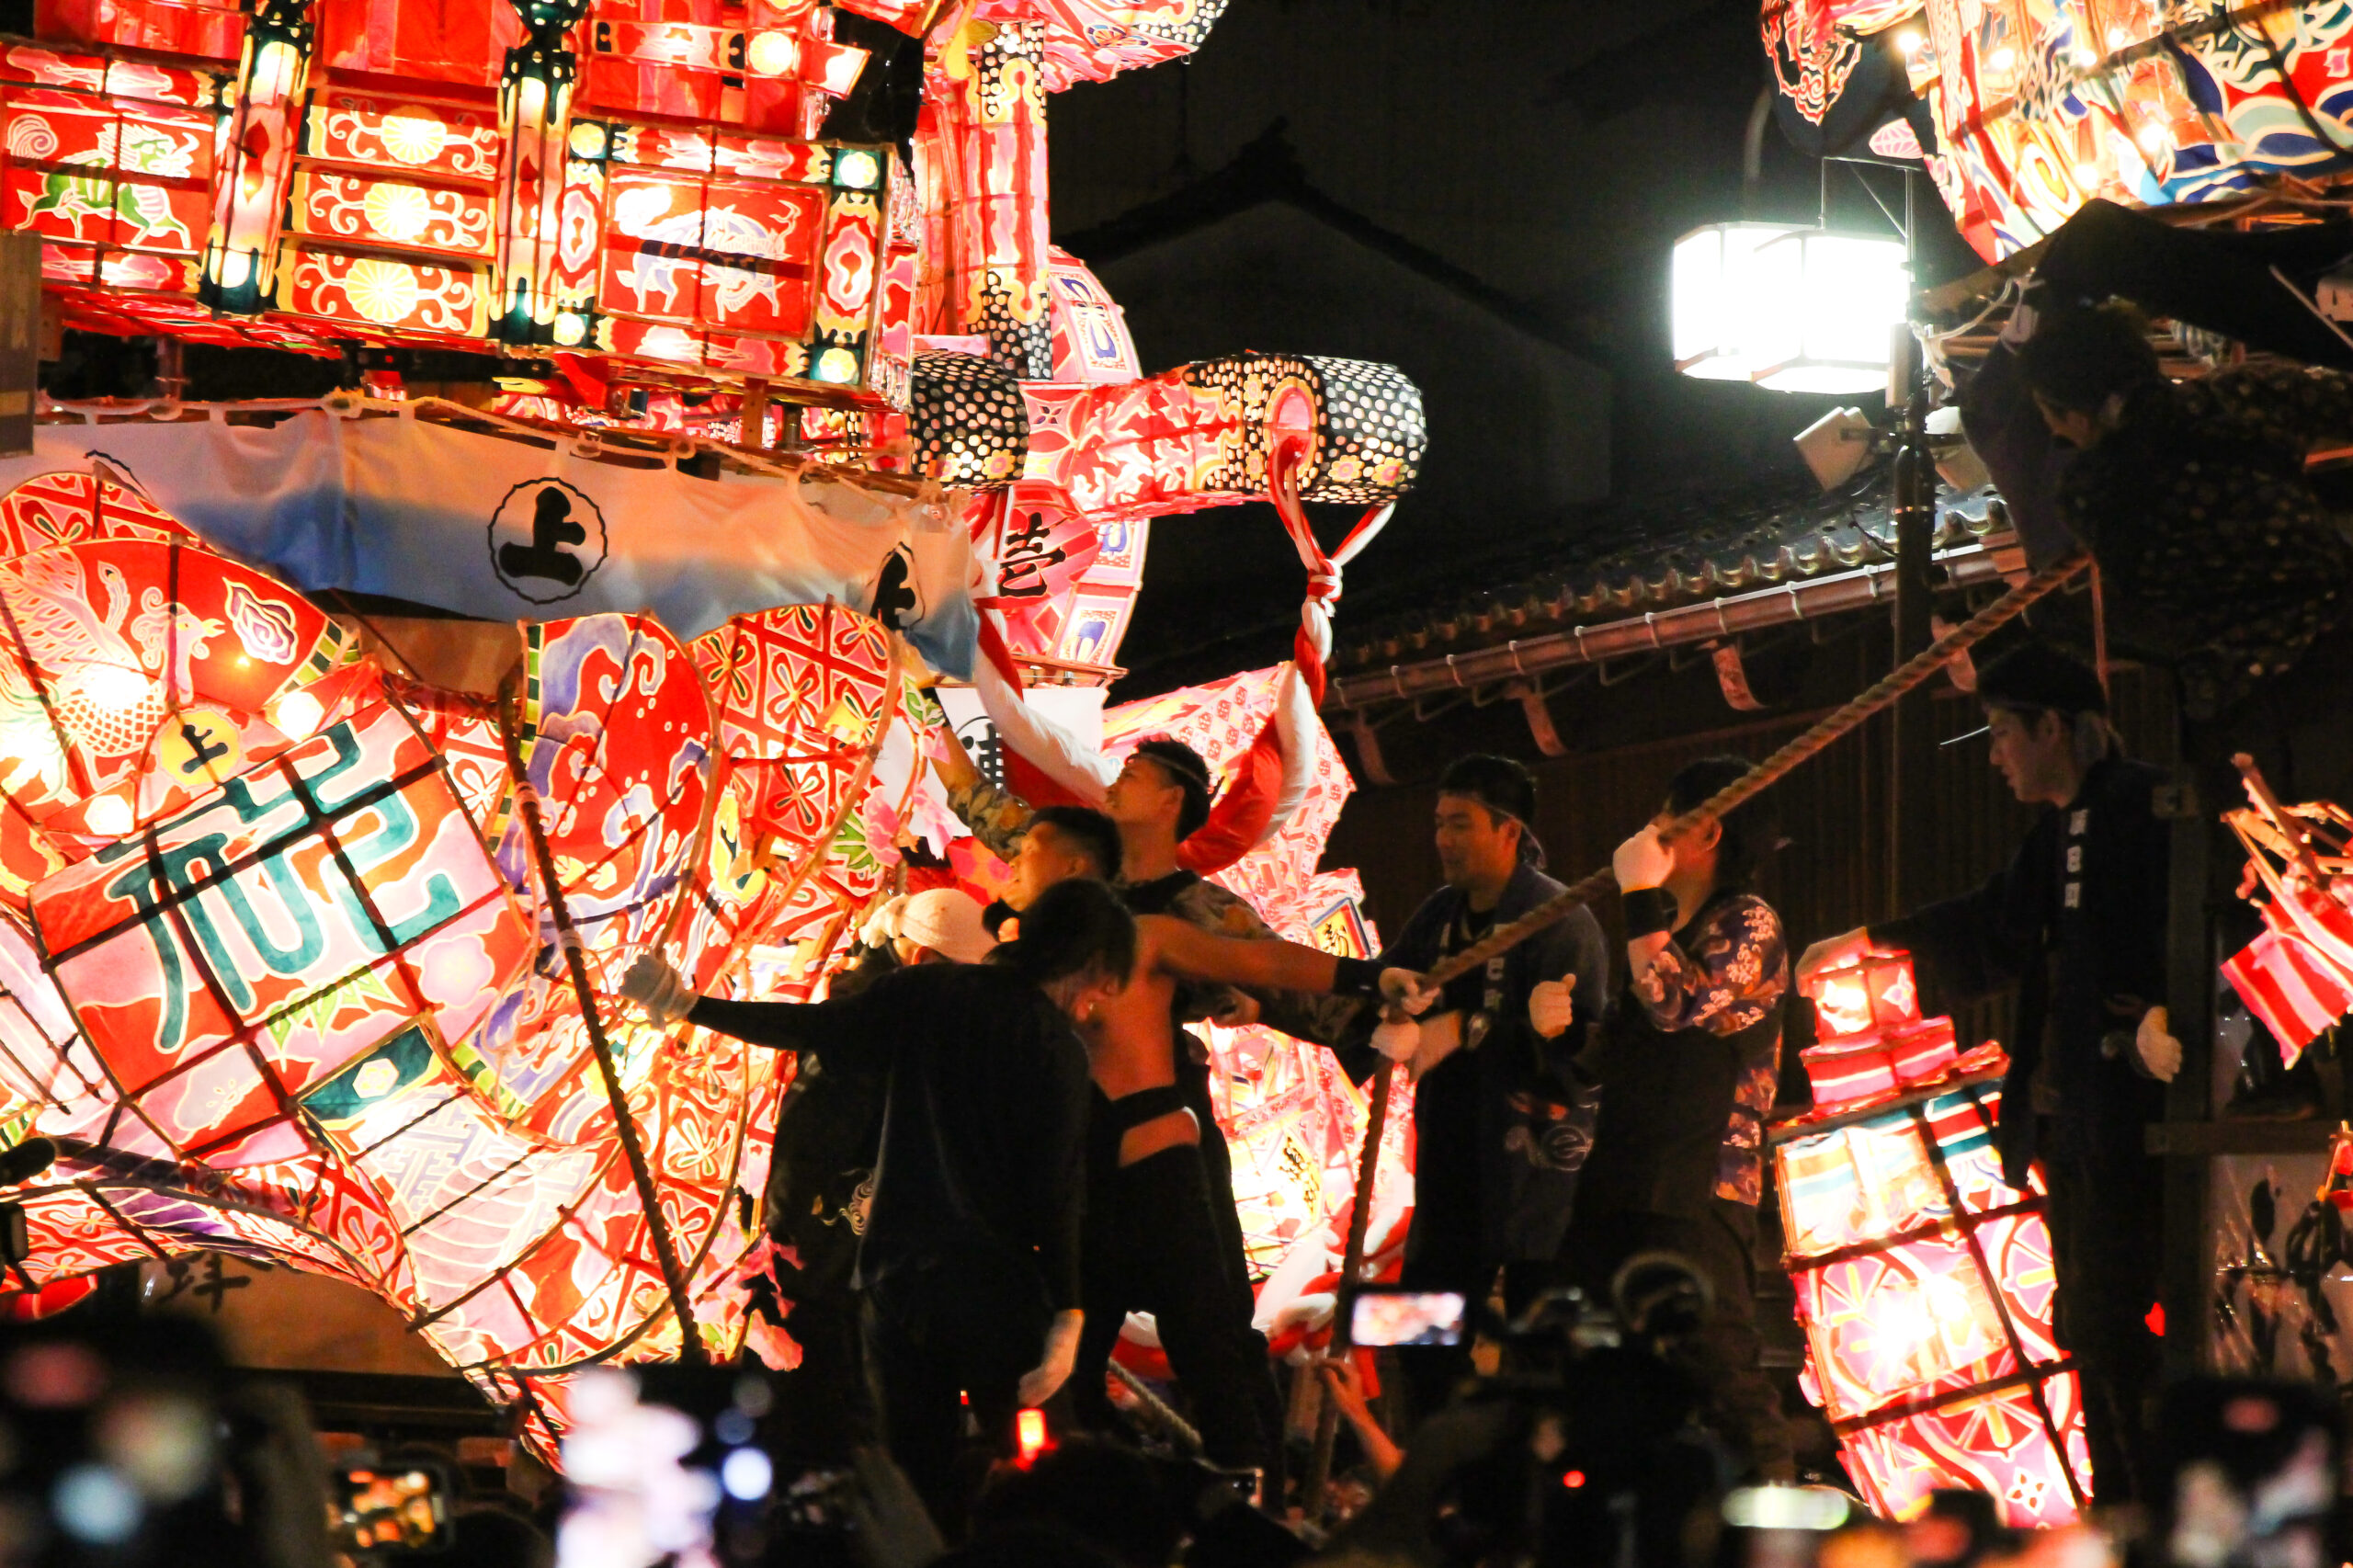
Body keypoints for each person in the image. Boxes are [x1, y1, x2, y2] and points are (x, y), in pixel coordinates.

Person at [617, 878, 1131, 1522]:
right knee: (1034, 1477)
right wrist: (1070, 1312)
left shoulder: (929, 992)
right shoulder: (1056, 1050)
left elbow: (813, 1027)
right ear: (1094, 969)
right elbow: (1054, 1194)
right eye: (1111, 982)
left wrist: (691, 1005)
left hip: (895, 1282)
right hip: (994, 1293)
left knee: (910, 1481)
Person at [1796, 642, 2176, 1501]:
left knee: (2124, 1324)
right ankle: (2120, 1516)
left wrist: (2165, 1011)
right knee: (2085, 1324)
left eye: (2004, 733)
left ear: (2053, 728)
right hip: (2075, 1117)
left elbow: (2189, 934)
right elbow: (1993, 928)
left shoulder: (2147, 807)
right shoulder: (2060, 830)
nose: (1997, 754)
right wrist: (1873, 938)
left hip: (2136, 1114)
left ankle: (2155, 1517)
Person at [932, 729, 1368, 1476]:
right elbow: (994, 812)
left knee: (1214, 1331)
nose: (1116, 777)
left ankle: (1260, 1488)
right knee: (1069, 1338)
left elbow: (1272, 969)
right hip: (1072, 1143)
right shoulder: (1066, 892)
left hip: (1165, 1134)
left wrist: (1379, 1003)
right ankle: (1091, 1490)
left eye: (1134, 773)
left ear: (1172, 802)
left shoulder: (1187, 911)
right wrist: (926, 695)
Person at [1350, 754, 1609, 1417]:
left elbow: (1583, 1045)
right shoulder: (1437, 916)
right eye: (1439, 824)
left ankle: (1543, 1495)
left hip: (1540, 1172)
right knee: (1415, 1337)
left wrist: (1462, 1029)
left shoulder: (1561, 918)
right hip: (1451, 1162)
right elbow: (1385, 989)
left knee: (1546, 1349)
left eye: (1460, 824)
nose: (1443, 840)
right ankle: (1437, 1470)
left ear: (1509, 831)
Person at [1561, 756, 1794, 1481]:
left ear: (1707, 829)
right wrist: (1564, 1032)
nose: (1650, 829)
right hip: (1625, 1174)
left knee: (1717, 1363)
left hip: (1698, 1184)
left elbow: (1675, 1005)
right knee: (1602, 1364)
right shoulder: (1666, 932)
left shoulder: (1750, 923)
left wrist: (1637, 893)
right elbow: (1620, 1052)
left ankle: (1774, 1530)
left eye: (1665, 816)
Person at [762, 887, 998, 1467]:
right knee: (841, 1401)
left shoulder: (892, 1024)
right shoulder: (861, 1035)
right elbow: (807, 1143)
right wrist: (789, 1243)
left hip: (862, 1246)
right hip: (831, 1250)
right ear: (920, 963)